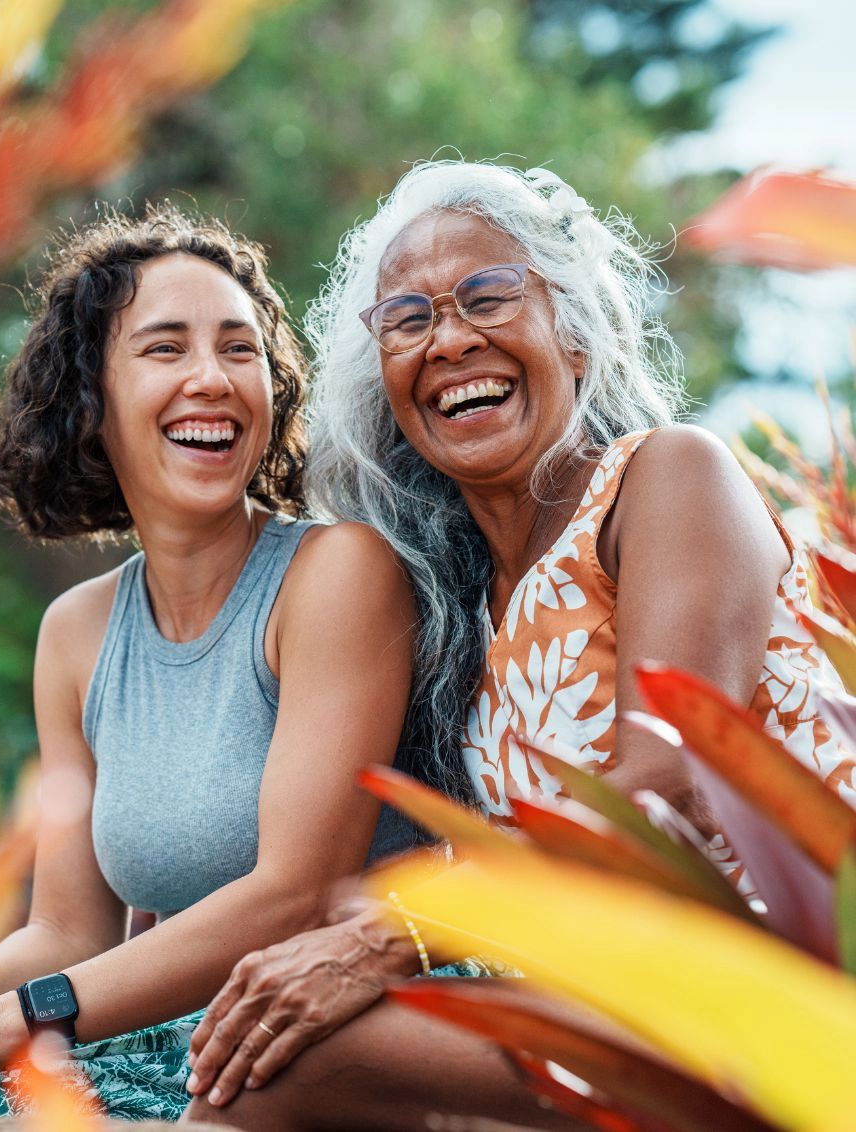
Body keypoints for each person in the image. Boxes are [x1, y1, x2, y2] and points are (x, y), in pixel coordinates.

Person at [182, 160, 856, 1131]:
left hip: (770, 1005)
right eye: (407, 320)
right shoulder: (456, 614)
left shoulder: (667, 479)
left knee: (281, 1068)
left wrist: (389, 939)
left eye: (487, 296)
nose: (451, 338)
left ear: (573, 335)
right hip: (606, 1009)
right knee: (258, 1040)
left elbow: (657, 794)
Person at [0, 204, 432, 1127]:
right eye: (164, 349)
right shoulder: (75, 632)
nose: (212, 379)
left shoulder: (337, 574)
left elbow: (295, 894)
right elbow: (67, 931)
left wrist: (13, 1016)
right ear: (91, 401)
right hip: (170, 1046)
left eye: (240, 349)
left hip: (316, 1050)